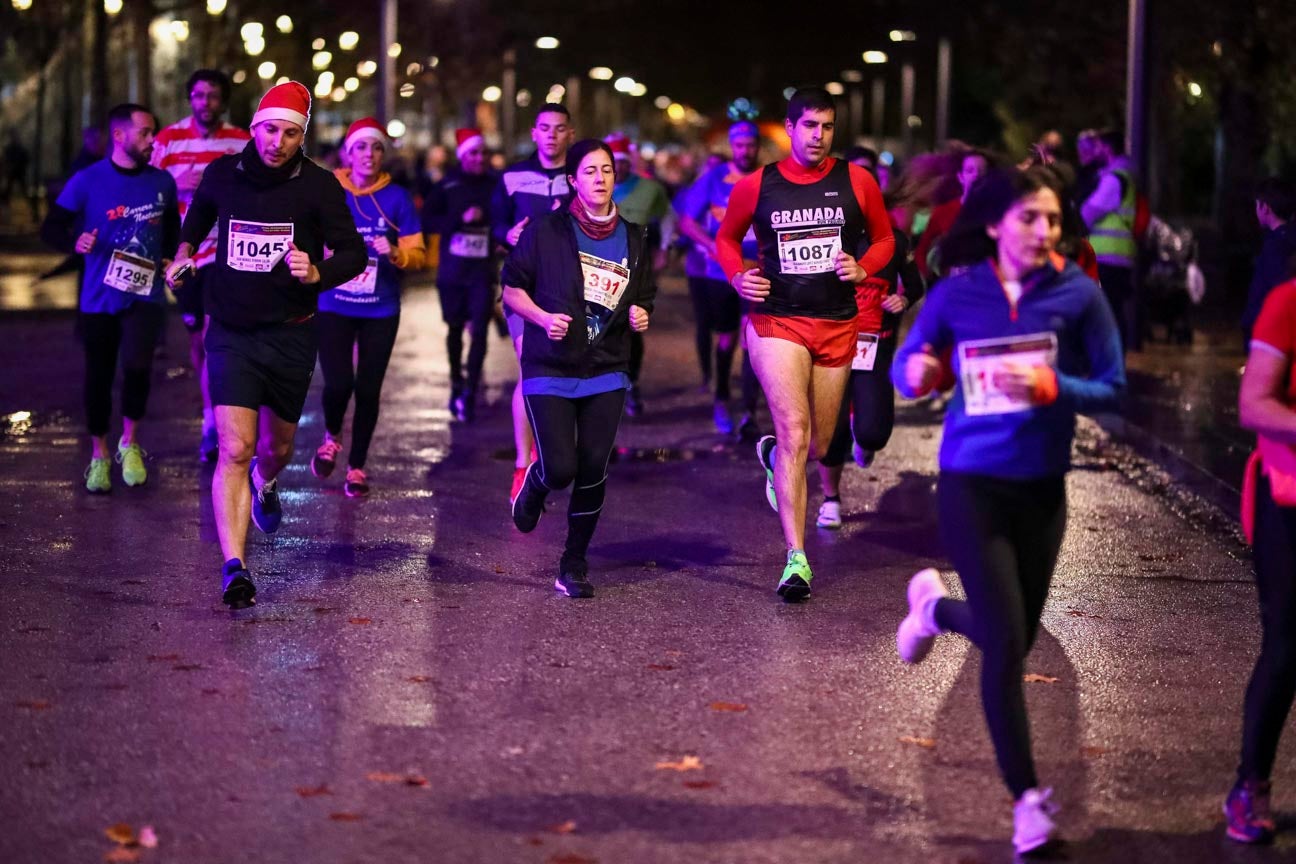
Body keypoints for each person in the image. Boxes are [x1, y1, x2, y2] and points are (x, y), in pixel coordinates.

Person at [892, 166, 1125, 854]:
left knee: (1012, 638)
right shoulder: (960, 292)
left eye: (1053, 220)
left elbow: (1113, 389)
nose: (1043, 231)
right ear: (994, 224)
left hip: (1042, 489)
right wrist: (919, 370)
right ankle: (1028, 803)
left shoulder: (1078, 294)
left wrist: (1056, 385)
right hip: (972, 484)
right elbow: (913, 355)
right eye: (1029, 218)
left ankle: (934, 610)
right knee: (1004, 645)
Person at [165, 81, 366, 608]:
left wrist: (318, 270)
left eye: (291, 133)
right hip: (230, 328)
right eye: (270, 129)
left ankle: (267, 482)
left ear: (303, 136)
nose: (278, 141)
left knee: (274, 450)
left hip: (292, 330)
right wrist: (184, 251)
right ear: (254, 128)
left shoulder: (320, 187)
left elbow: (354, 253)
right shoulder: (222, 174)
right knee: (234, 447)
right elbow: (200, 215)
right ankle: (235, 566)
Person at [716, 88, 894, 601]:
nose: (818, 136)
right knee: (796, 432)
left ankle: (772, 454)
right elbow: (727, 238)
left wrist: (866, 267)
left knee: (818, 445)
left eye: (828, 127)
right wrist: (736, 277)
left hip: (836, 322)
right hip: (778, 322)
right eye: (809, 126)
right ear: (790, 129)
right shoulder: (759, 185)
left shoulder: (856, 180)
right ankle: (796, 559)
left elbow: (884, 238)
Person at [502, 139, 654, 598]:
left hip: (607, 368)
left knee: (593, 468)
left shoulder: (634, 236)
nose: (600, 179)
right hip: (549, 365)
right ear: (573, 180)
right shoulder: (546, 231)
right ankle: (536, 483)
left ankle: (573, 562)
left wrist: (641, 315)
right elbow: (511, 290)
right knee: (561, 468)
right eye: (589, 172)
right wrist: (544, 319)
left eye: (606, 171)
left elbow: (642, 297)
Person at [40, 103, 179, 493]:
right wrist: (75, 240)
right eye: (146, 132)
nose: (153, 139)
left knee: (137, 370)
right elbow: (51, 227)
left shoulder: (162, 183)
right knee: (98, 377)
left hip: (146, 296)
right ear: (120, 136)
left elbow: (171, 230)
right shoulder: (87, 181)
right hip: (98, 297)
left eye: (154, 132)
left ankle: (128, 443)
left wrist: (170, 257)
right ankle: (99, 454)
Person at [309, 118, 425, 497]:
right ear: (348, 153)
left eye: (376, 148)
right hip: (335, 304)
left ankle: (357, 466)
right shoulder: (328, 190)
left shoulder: (398, 198)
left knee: (369, 389)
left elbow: (418, 254)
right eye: (361, 147)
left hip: (380, 308)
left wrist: (394, 252)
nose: (369, 155)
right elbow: (307, 234)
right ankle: (331, 437)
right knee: (338, 382)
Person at [815, 154, 926, 529]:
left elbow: (915, 285)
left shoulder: (894, 241)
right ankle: (830, 499)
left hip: (874, 351)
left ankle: (865, 441)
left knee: (873, 431)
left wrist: (903, 299)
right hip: (830, 348)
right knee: (830, 432)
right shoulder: (828, 236)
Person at [1224, 276, 1296, 844]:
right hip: (1289, 503)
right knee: (1288, 647)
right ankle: (1250, 786)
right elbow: (1254, 404)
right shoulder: (1288, 301)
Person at [151, 69, 252, 461]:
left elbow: (253, 189)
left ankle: (215, 423)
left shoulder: (241, 141)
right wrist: (180, 184)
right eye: (198, 95)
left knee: (215, 335)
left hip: (228, 255)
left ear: (223, 101)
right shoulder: (168, 140)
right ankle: (211, 410)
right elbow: (150, 188)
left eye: (212, 96)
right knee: (197, 340)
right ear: (188, 98)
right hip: (185, 255)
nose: (205, 102)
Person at [493, 104, 574, 502]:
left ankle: (547, 450)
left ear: (570, 135)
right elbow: (495, 224)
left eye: (560, 129)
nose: (553, 136)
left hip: (568, 291)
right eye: (545, 128)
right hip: (523, 287)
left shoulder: (580, 177)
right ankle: (522, 464)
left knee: (559, 374)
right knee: (530, 368)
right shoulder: (511, 176)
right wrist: (504, 235)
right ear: (534, 132)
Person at [675, 121, 762, 434]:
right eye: (739, 145)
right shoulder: (713, 179)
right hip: (721, 274)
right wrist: (714, 246)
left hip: (759, 272)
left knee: (754, 338)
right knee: (727, 338)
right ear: (732, 146)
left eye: (751, 145)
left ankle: (750, 412)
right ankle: (721, 399)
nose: (745, 151)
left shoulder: (769, 178)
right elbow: (687, 222)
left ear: (758, 147)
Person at [423, 127, 497, 421]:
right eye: (474, 153)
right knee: (455, 329)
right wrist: (458, 220)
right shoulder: (448, 185)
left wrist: (490, 221)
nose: (480, 159)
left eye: (483, 153)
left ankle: (471, 387)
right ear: (463, 156)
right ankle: (456, 378)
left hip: (482, 271)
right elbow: (427, 220)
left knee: (479, 329)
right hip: (452, 272)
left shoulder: (496, 184)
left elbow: (506, 217)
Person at [606, 132, 673, 416]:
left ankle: (631, 384)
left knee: (632, 328)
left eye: (622, 162)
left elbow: (668, 216)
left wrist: (664, 248)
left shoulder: (649, 189)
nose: (617, 168)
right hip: (597, 269)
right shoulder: (594, 184)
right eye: (612, 162)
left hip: (635, 269)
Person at [1081, 129, 1139, 352]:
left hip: (1107, 256)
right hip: (1116, 256)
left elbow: (1090, 211)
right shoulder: (1122, 176)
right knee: (1112, 310)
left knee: (1108, 312)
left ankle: (1112, 362)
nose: (1093, 153)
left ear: (1107, 149)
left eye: (1097, 147)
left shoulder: (1114, 179)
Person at [916, 148, 990, 281]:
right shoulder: (943, 212)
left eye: (981, 171)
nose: (976, 175)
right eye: (970, 170)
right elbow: (922, 252)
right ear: (961, 177)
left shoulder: (997, 213)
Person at [1241, 178, 1296, 345]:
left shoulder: (1275, 245)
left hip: (1268, 336)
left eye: (1257, 205)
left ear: (1264, 208)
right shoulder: (1288, 238)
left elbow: (1277, 288)